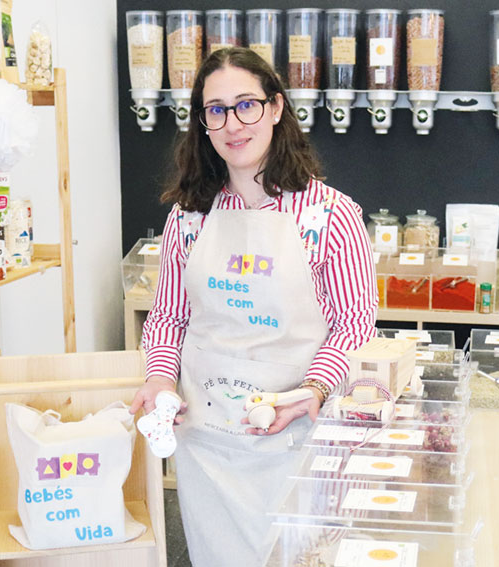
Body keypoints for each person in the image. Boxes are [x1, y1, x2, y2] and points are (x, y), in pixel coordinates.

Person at [128, 47, 377, 567]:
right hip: (209, 441)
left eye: (246, 105)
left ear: (277, 108)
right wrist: (159, 380)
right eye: (215, 110)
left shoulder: (330, 216)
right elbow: (169, 317)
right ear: (203, 123)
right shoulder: (188, 218)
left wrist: (313, 387)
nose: (232, 124)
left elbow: (353, 324)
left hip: (296, 439)